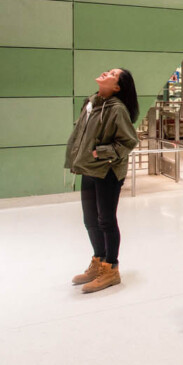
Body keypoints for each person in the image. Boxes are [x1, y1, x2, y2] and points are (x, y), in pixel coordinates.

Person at [65, 68, 139, 294]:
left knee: (105, 219)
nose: (106, 72)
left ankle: (111, 268)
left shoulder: (117, 109)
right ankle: (98, 260)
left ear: (117, 87)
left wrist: (102, 152)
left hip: (107, 171)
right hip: (88, 168)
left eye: (112, 74)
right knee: (90, 220)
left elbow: (128, 142)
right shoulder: (90, 103)